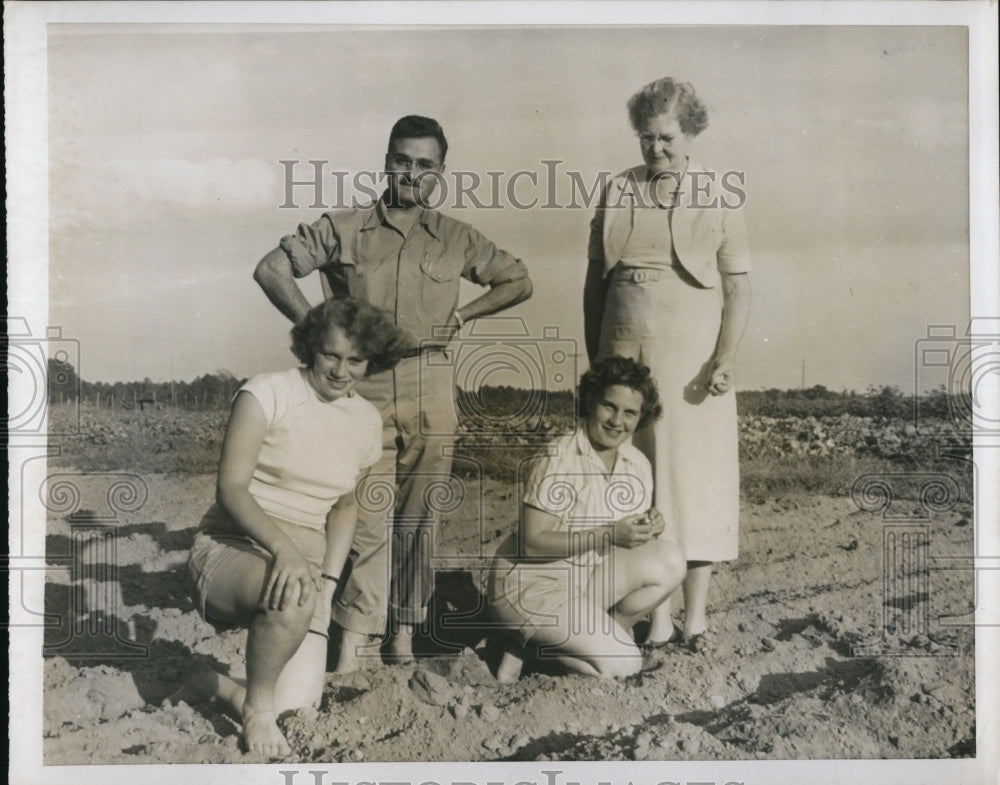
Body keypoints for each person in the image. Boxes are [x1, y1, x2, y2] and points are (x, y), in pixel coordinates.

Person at [254, 115, 533, 669]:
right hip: (365, 388)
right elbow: (271, 269)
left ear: (441, 173)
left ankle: (404, 634)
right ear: (386, 162)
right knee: (363, 515)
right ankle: (354, 641)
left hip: (431, 384)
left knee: (420, 517)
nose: (412, 174)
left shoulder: (457, 237)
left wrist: (464, 315)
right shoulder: (345, 226)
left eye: (425, 165)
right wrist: (322, 335)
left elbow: (519, 279)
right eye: (402, 161)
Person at [166, 298, 407, 757]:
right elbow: (232, 489)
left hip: (305, 567)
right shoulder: (266, 393)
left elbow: (344, 507)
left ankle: (216, 684)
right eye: (331, 355)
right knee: (293, 603)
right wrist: (285, 551)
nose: (341, 370)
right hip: (232, 546)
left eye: (355, 360)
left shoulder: (366, 421)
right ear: (310, 347)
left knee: (298, 704)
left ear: (369, 361)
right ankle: (256, 709)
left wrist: (330, 583)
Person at [583, 78, 752, 650]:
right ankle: (651, 615)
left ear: (692, 133)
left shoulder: (720, 194)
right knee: (633, 477)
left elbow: (739, 289)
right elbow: (594, 285)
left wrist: (724, 358)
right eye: (646, 138)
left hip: (691, 357)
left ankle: (695, 617)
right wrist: (596, 362)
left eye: (667, 138)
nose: (656, 149)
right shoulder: (615, 191)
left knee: (692, 479)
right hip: (623, 344)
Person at [487, 356, 687, 680]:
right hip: (532, 586)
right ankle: (533, 646)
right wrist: (609, 534)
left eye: (630, 413)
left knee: (670, 559)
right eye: (609, 406)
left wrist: (647, 527)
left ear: (641, 418)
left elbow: (624, 539)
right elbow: (531, 545)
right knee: (625, 664)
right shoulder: (559, 458)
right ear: (590, 402)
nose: (616, 421)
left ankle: (571, 641)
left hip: (585, 581)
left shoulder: (636, 464)